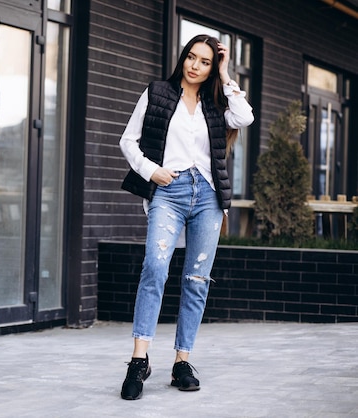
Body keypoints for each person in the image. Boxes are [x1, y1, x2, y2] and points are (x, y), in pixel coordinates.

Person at [118, 34, 254, 400]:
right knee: (155, 268)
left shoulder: (216, 102)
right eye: (192, 57)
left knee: (196, 278)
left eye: (205, 61)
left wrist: (226, 74)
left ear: (212, 67)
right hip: (170, 190)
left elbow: (245, 116)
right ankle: (139, 360)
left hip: (208, 196)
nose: (195, 66)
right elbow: (128, 141)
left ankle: (181, 361)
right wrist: (152, 171)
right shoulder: (157, 93)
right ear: (183, 58)